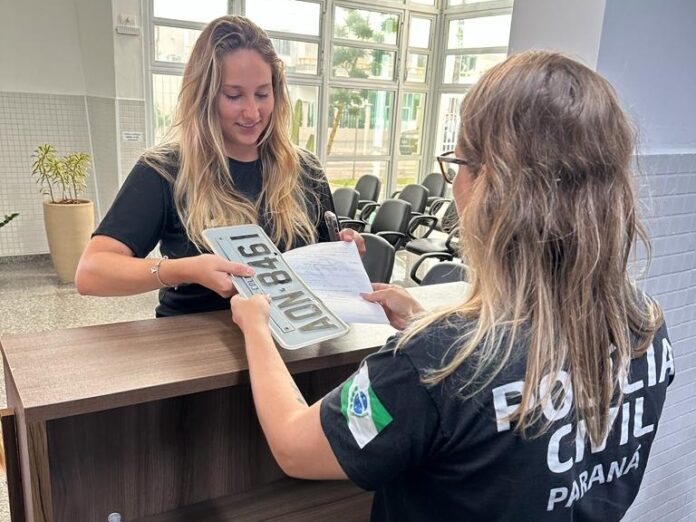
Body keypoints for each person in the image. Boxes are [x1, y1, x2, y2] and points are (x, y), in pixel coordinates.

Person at [230, 51, 675, 521]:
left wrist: (256, 325)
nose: (454, 182)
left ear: (492, 185)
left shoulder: (435, 361)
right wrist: (423, 322)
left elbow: (294, 445)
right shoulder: (645, 326)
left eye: (459, 161)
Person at [76, 15, 362, 316]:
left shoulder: (305, 170)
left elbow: (322, 269)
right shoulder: (165, 171)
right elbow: (92, 272)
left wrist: (343, 255)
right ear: (205, 96)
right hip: (197, 341)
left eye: (262, 94)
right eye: (234, 95)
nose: (252, 112)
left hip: (291, 338)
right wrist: (184, 269)